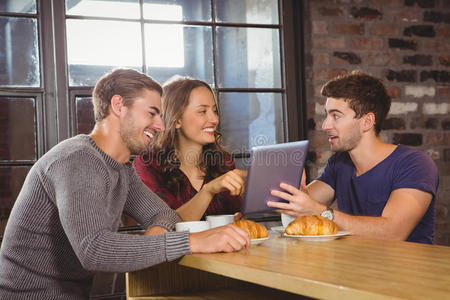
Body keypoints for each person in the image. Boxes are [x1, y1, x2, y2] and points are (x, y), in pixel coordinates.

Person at [0, 69, 250, 299]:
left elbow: (164, 214)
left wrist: (156, 240)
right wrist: (193, 242)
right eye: (152, 113)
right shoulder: (78, 159)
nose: (161, 125)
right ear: (118, 105)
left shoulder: (120, 168)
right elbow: (94, 250)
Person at [267, 71, 439, 244]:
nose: (325, 125)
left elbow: (392, 232)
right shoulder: (339, 162)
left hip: (405, 270)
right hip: (353, 268)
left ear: (367, 122)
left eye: (336, 116)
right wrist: (292, 185)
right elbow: (296, 204)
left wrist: (321, 212)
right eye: (326, 115)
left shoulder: (415, 164)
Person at [133, 76, 247, 222]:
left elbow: (235, 215)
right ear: (177, 120)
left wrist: (241, 216)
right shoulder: (148, 165)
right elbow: (164, 227)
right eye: (202, 111)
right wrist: (208, 191)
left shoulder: (223, 160)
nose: (214, 119)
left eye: (214, 111)